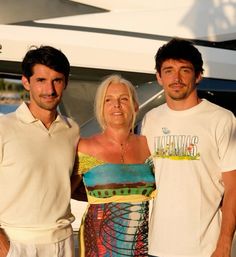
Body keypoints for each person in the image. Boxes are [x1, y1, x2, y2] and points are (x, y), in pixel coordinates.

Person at [141, 38, 236, 257]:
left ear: (198, 75)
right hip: (158, 247)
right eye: (168, 70)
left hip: (205, 248)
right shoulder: (150, 120)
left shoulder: (221, 119)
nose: (176, 78)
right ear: (158, 76)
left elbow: (233, 188)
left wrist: (224, 243)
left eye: (185, 70)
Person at [0, 46, 80, 257]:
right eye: (41, 80)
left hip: (63, 242)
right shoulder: (3, 127)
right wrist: (4, 247)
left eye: (57, 80)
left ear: (66, 83)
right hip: (16, 243)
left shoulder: (72, 130)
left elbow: (68, 181)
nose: (50, 90)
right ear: (26, 82)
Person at [71, 74, 156, 257]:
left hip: (144, 246)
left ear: (135, 105)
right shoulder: (85, 146)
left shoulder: (148, 145)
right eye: (108, 100)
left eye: (123, 99)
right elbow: (66, 191)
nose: (116, 105)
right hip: (99, 247)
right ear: (101, 108)